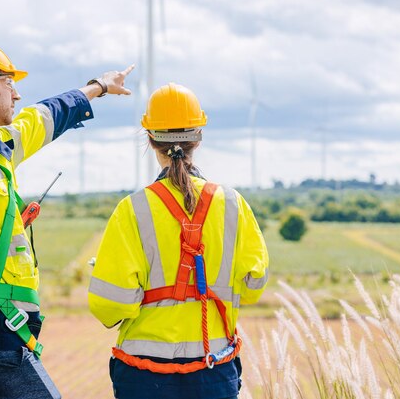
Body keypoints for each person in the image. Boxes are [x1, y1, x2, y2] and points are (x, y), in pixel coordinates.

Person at [0, 40, 133, 399]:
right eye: (9, 83)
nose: (17, 95)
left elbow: (45, 116)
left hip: (2, 333)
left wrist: (97, 87)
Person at [88, 83, 269, 399]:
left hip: (144, 376)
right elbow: (253, 286)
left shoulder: (132, 210)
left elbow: (110, 304)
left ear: (150, 138)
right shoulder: (233, 204)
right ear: (198, 137)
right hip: (213, 369)